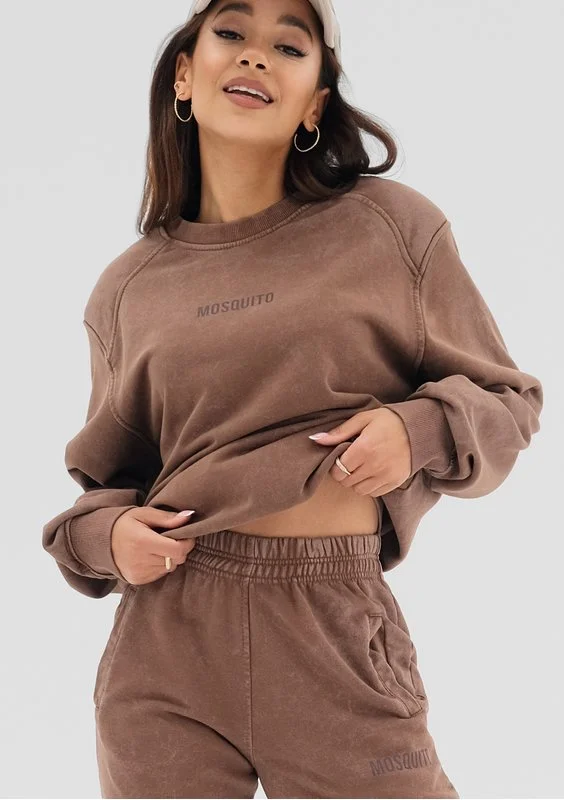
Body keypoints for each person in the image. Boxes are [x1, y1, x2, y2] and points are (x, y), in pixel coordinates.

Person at [42, 0, 543, 797]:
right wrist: (110, 537)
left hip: (331, 622)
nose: (255, 56)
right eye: (231, 33)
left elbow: (509, 402)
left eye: (288, 45)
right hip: (167, 646)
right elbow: (106, 482)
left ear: (316, 103)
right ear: (184, 74)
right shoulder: (127, 289)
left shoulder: (390, 228)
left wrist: (415, 432)